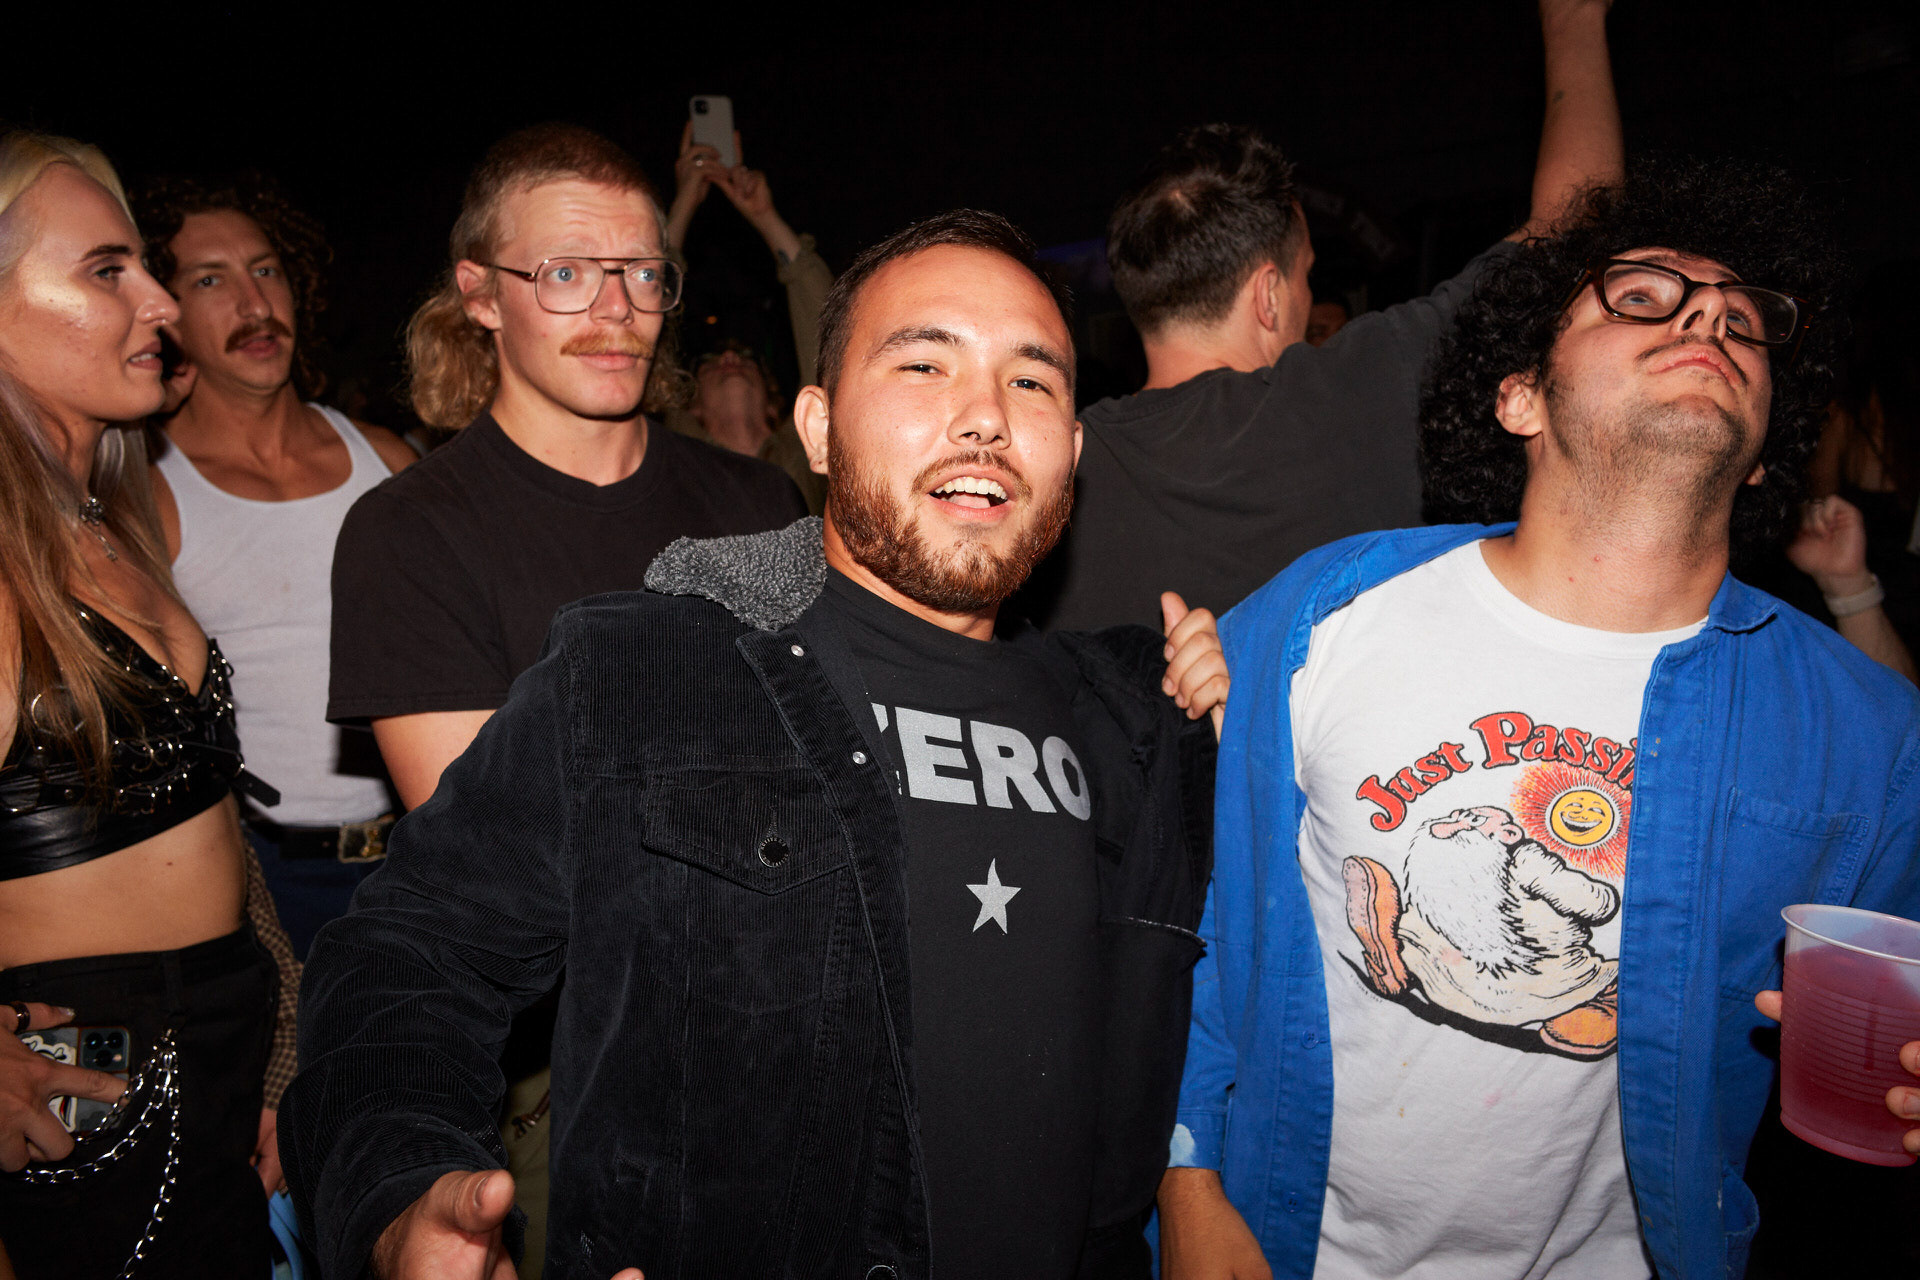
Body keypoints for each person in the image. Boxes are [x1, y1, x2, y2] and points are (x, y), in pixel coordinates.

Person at [284, 209, 1230, 1280]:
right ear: (817, 431)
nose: (985, 418)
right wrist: (401, 1190)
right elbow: (406, 959)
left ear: (1073, 451)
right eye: (925, 364)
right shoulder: (642, 676)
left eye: (1032, 380)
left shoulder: (1135, 719)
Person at [1158, 157, 1920, 1280]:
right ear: (1520, 394)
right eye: (1642, 297)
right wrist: (1186, 1172)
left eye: (1744, 324)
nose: (1708, 321)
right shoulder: (1328, 613)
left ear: (1765, 453)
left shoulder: (1863, 732)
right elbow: (1198, 921)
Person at [1021, 0, 1621, 632]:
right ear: (1268, 295)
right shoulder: (1358, 389)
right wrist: (1573, 20)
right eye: (1306, 273)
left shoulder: (1057, 462)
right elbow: (1573, 227)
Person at [0, 130, 301, 1279]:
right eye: (106, 271)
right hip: (86, 1079)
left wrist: (276, 1040)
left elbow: (207, 815)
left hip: (216, 1044)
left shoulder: (106, 528)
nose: (162, 302)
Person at [135, 174, 417, 958]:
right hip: (270, 876)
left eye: (266, 270)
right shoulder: (152, 496)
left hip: (422, 855)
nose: (255, 305)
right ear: (162, 309)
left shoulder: (386, 462)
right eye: (210, 281)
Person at [663, 123, 833, 512]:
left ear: (775, 405)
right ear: (692, 406)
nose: (729, 358)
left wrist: (764, 216)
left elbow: (828, 329)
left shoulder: (811, 456)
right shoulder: (673, 457)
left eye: (747, 359)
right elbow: (645, 319)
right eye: (708, 362)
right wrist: (684, 203)